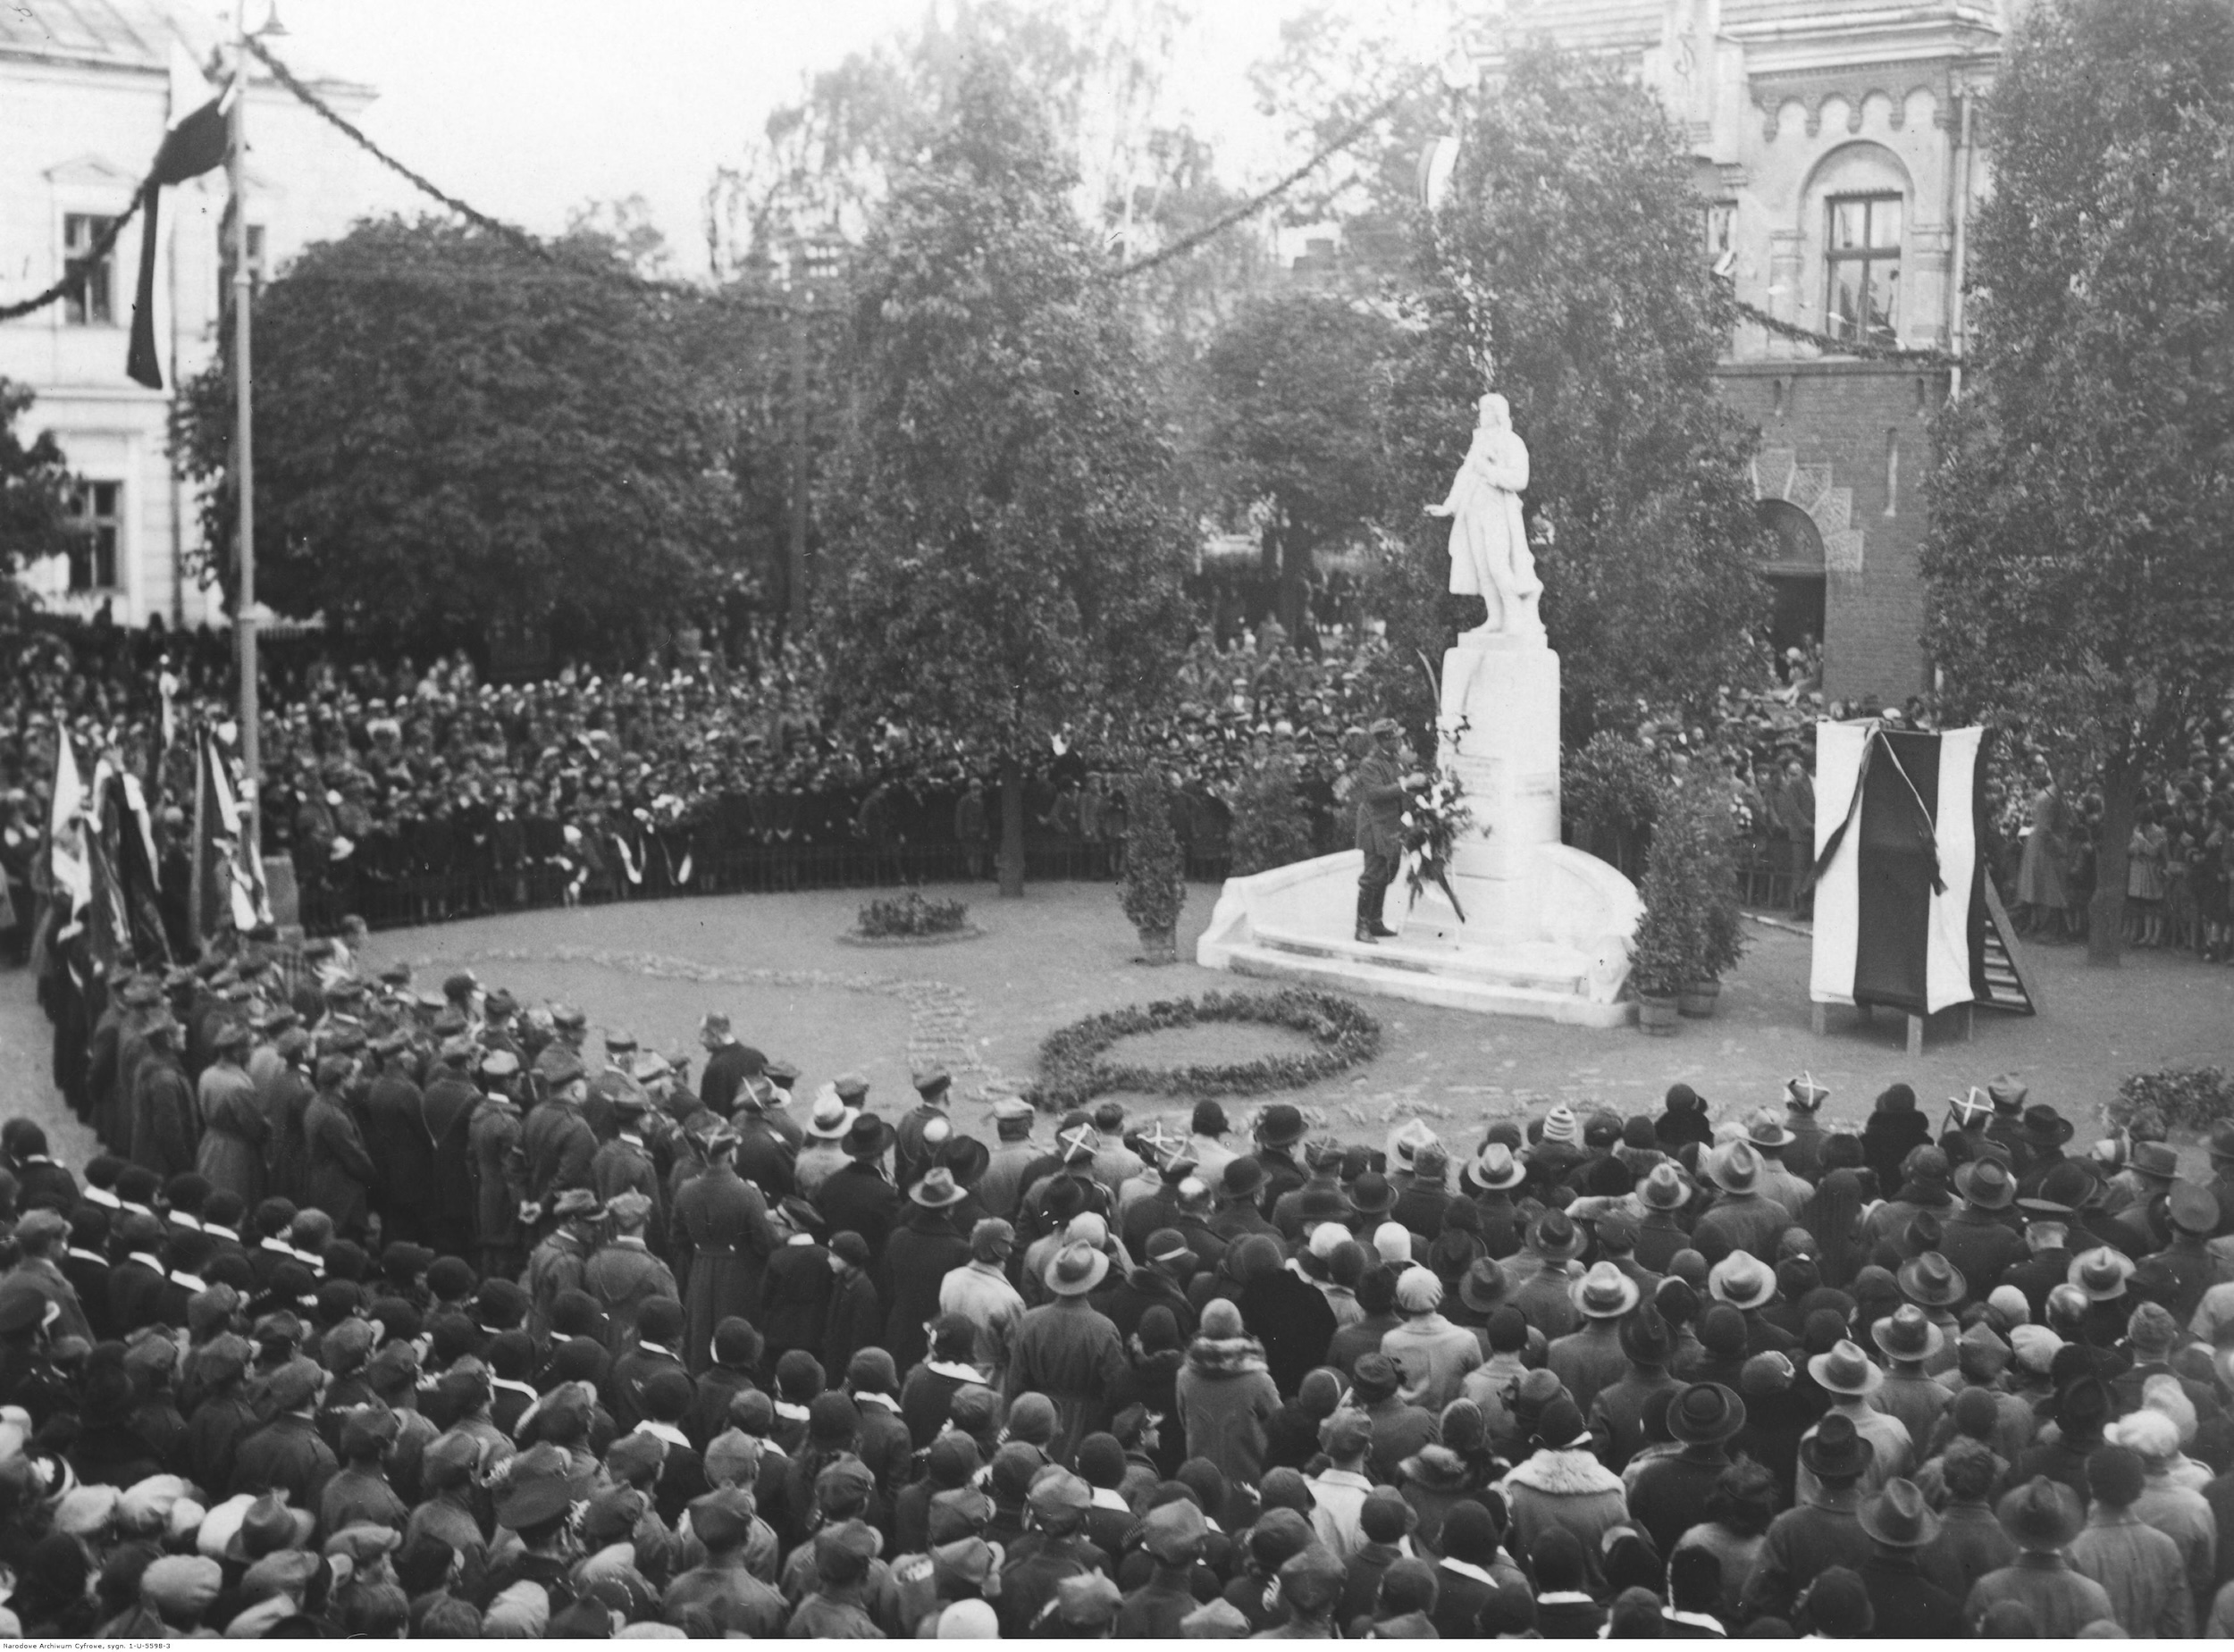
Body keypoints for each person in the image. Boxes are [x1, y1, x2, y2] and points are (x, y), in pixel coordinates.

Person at [1426, 390, 1541, 639]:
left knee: (1499, 565)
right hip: (1473, 510)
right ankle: (1495, 617)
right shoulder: (1479, 442)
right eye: (1482, 410)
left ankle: (1514, 618)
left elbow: (1520, 480)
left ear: (1499, 413)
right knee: (1483, 568)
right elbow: (1465, 475)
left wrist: (1489, 471)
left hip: (1498, 511)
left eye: (1487, 410)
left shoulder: (1512, 442)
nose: (1483, 415)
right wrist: (1448, 506)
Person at [1352, 718, 1415, 943]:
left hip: (1392, 826)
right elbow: (1375, 793)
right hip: (1375, 825)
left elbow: (1408, 781)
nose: (1399, 740)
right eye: (1395, 737)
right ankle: (1361, 927)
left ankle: (1375, 921)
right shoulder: (1370, 764)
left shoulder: (1396, 761)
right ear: (1384, 740)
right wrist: (1407, 784)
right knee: (1373, 875)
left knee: (1387, 873)